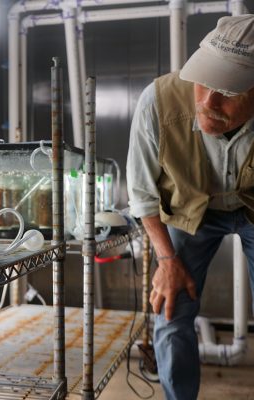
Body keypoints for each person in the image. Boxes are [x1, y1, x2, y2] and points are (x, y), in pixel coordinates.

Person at [126, 14, 254, 400]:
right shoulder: (158, 101)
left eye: (228, 90)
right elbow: (143, 195)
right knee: (171, 308)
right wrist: (166, 261)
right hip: (189, 210)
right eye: (203, 81)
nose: (208, 102)